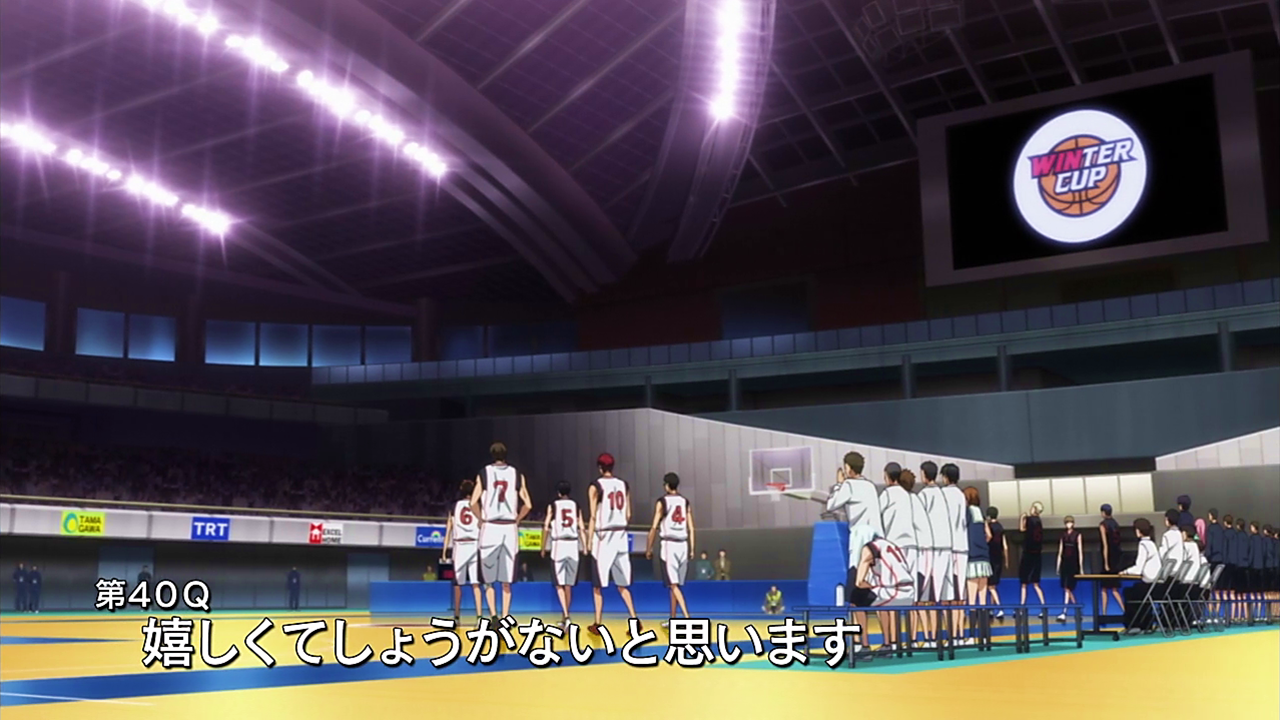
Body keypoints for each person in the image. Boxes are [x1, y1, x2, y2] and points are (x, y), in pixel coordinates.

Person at [826, 451, 883, 647]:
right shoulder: (870, 486)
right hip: (877, 542)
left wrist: (839, 484)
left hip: (860, 543)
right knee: (878, 596)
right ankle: (887, 642)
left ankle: (861, 643)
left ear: (848, 468)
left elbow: (831, 504)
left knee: (854, 597)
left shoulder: (849, 485)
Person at [472, 441, 531, 622]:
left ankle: (494, 616)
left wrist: (481, 519)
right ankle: (506, 615)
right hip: (509, 527)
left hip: (490, 526)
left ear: (492, 455)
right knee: (507, 581)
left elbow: (473, 502)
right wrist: (517, 519)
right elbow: (528, 505)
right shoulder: (516, 474)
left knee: (487, 580)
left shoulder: (484, 473)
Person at [586, 452, 640, 635]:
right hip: (621, 535)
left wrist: (589, 541)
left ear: (600, 468)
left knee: (598, 585)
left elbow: (593, 516)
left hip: (604, 536)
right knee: (622, 585)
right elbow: (628, 514)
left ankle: (597, 623)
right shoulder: (624, 485)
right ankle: (634, 620)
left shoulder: (595, 486)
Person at [849, 525, 915, 653]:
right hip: (907, 591)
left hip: (894, 591)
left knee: (856, 599)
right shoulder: (888, 545)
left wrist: (869, 586)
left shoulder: (869, 548)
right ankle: (886, 643)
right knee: (880, 603)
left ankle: (864, 645)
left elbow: (859, 582)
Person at [646, 472, 694, 628]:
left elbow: (654, 527)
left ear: (666, 485)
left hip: (669, 545)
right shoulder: (685, 502)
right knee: (674, 585)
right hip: (683, 544)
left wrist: (649, 547)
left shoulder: (662, 502)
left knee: (673, 585)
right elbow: (691, 528)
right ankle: (673, 619)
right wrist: (692, 548)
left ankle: (687, 618)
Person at [878, 463, 918, 646]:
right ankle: (911, 640)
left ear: (887, 476)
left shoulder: (886, 495)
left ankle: (893, 641)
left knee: (890, 595)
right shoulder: (909, 496)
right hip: (911, 546)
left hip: (893, 546)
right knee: (911, 595)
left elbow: (876, 519)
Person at [542, 481, 584, 629]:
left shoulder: (553, 506)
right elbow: (581, 527)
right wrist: (585, 546)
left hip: (559, 544)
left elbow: (546, 526)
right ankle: (565, 617)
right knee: (568, 585)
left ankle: (566, 617)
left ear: (558, 493)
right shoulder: (576, 505)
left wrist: (543, 546)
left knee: (559, 583)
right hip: (573, 544)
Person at [918, 461, 951, 646]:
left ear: (924, 474)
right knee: (941, 595)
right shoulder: (942, 494)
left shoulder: (924, 495)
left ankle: (931, 636)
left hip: (930, 548)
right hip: (946, 547)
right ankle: (943, 636)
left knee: (927, 595)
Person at [443, 479, 483, 624]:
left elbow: (449, 528)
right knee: (476, 584)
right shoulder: (477, 505)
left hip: (460, 545)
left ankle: (457, 615)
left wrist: (444, 550)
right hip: (474, 544)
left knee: (458, 584)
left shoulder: (454, 506)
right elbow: (482, 525)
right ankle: (479, 616)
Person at [939, 463, 968, 639]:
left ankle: (950, 633)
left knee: (946, 594)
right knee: (960, 594)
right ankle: (960, 633)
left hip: (946, 547)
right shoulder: (961, 495)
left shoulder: (942, 494)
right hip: (962, 547)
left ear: (945, 477)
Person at [962, 486, 992, 643]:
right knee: (983, 599)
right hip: (984, 559)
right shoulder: (981, 513)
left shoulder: (966, 513)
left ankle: (972, 635)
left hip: (972, 558)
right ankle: (985, 635)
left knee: (972, 601)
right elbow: (989, 535)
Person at [1121, 518, 1161, 634]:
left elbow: (1138, 569)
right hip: (1157, 585)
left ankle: (1134, 625)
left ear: (1138, 531)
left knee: (1129, 592)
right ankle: (1146, 624)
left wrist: (1125, 572)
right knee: (1138, 590)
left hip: (1149, 584)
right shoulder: (1152, 544)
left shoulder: (1143, 544)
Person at [1098, 504, 1125, 618]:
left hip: (1108, 558)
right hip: (1117, 558)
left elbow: (1105, 545)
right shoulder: (1116, 524)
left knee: (1104, 588)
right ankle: (1124, 610)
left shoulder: (1103, 525)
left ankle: (1104, 613)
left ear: (1103, 513)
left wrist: (1105, 563)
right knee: (1115, 589)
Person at [1019, 502, 1046, 614]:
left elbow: (1022, 529)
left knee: (1024, 583)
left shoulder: (1030, 520)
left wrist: (1022, 518)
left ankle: (1022, 607)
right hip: (1037, 555)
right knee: (1036, 583)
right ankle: (1043, 606)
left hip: (1028, 554)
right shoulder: (1039, 522)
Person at [1056, 516, 1082, 622]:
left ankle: (1065, 611)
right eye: (1067, 522)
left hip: (1073, 564)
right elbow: (1060, 551)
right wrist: (1058, 565)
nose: (1069, 524)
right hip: (1064, 564)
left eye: (1070, 522)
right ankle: (1076, 610)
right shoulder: (1063, 535)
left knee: (1068, 588)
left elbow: (1080, 551)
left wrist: (1081, 567)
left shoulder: (1077, 535)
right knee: (1066, 588)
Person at [986, 507, 1008, 618]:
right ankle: (991, 609)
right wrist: (1007, 560)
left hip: (990, 558)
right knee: (993, 585)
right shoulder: (1000, 527)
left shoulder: (988, 527)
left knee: (990, 586)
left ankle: (1000, 608)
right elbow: (1005, 546)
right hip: (999, 559)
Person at [1205, 508, 1225, 619]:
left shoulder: (1210, 529)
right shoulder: (1221, 529)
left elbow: (1209, 544)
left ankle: (1211, 613)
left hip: (1212, 559)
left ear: (1211, 516)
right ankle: (1219, 612)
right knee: (1219, 588)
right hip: (1220, 559)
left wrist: (1207, 556)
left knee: (1211, 587)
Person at [1248, 521, 1265, 620]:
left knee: (1253, 591)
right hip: (1260, 566)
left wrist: (1249, 563)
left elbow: (1251, 553)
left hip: (1253, 566)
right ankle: (1260, 614)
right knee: (1259, 592)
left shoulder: (1252, 539)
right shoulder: (1261, 539)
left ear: (1254, 528)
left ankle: (1253, 613)